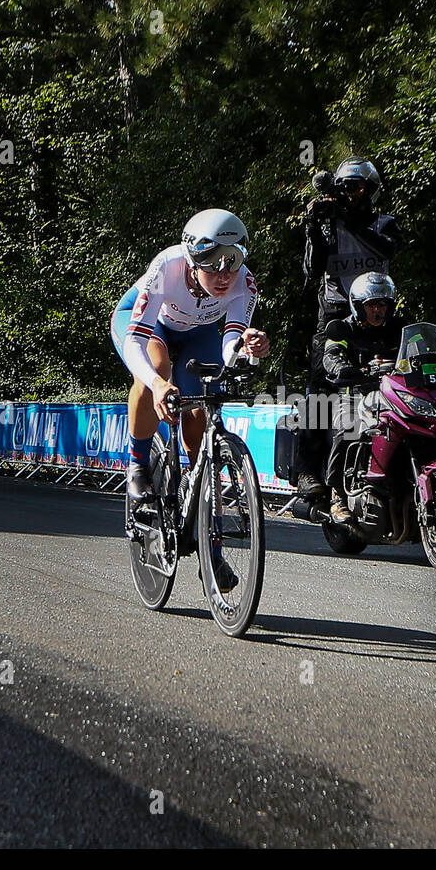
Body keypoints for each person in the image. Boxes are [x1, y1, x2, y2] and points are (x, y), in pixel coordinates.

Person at [110, 209, 270, 589]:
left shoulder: (245, 282)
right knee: (158, 370)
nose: (222, 276)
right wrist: (156, 384)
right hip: (149, 326)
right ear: (191, 259)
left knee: (202, 412)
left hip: (199, 334)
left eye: (230, 266)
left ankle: (210, 551)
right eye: (212, 267)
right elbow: (135, 338)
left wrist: (249, 348)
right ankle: (137, 464)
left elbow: (230, 340)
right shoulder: (166, 268)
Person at [297, 157, 404, 501]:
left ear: (370, 190)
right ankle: (308, 472)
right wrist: (314, 227)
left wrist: (348, 221)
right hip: (335, 311)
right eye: (344, 188)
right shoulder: (331, 222)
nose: (349, 194)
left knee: (399, 376)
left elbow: (387, 248)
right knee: (319, 391)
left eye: (356, 188)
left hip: (378, 311)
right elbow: (312, 269)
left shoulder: (384, 223)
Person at [320, 272, 404, 522]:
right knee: (347, 428)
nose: (377, 310)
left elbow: (425, 347)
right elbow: (331, 353)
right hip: (355, 394)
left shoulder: (402, 328)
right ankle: (336, 494)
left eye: (382, 305)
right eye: (371, 305)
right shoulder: (344, 328)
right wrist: (342, 368)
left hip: (396, 394)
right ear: (358, 306)